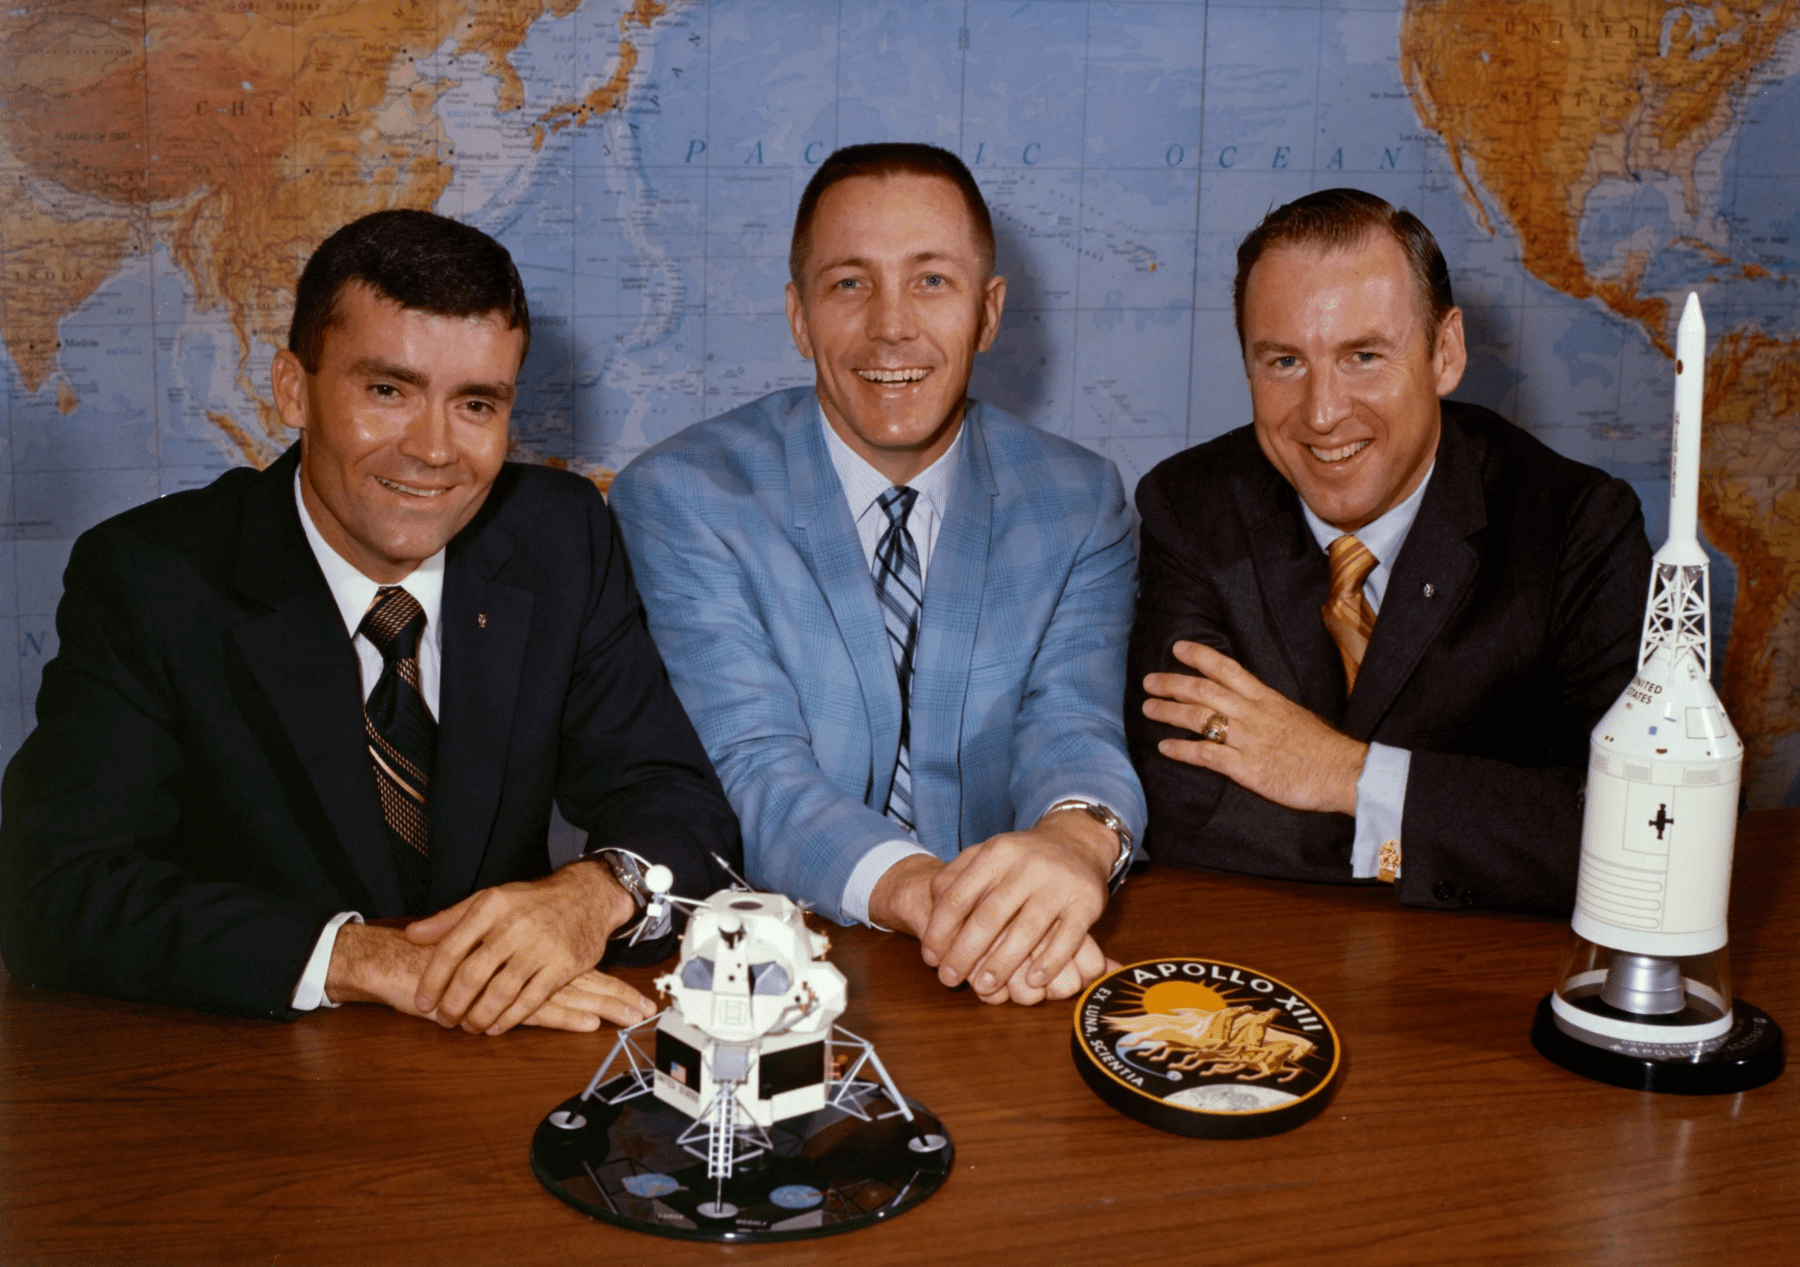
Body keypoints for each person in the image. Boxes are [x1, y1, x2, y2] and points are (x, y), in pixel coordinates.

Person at [0, 210, 739, 1031]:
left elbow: (676, 799)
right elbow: (52, 891)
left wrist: (594, 894)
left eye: (476, 403)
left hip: (504, 1052)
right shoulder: (153, 578)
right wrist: (367, 959)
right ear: (293, 389)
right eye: (388, 391)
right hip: (253, 1061)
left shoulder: (558, 536)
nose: (433, 449)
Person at [609, 143, 1144, 1005]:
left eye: (931, 280)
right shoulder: (682, 496)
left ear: (988, 312)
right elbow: (752, 766)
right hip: (769, 978)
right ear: (799, 316)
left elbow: (1072, 725)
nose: (891, 325)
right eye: (850, 283)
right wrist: (935, 896)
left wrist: (1074, 845)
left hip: (1014, 973)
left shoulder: (1081, 500)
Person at [1128, 188, 1652, 915]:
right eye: (1284, 361)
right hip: (1263, 946)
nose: (1322, 413)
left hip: (1480, 968)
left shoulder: (1578, 528)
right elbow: (1186, 813)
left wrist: (1342, 774)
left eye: (1364, 356)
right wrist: (1485, 823)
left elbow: (1638, 831)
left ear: (1445, 353)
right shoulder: (1189, 506)